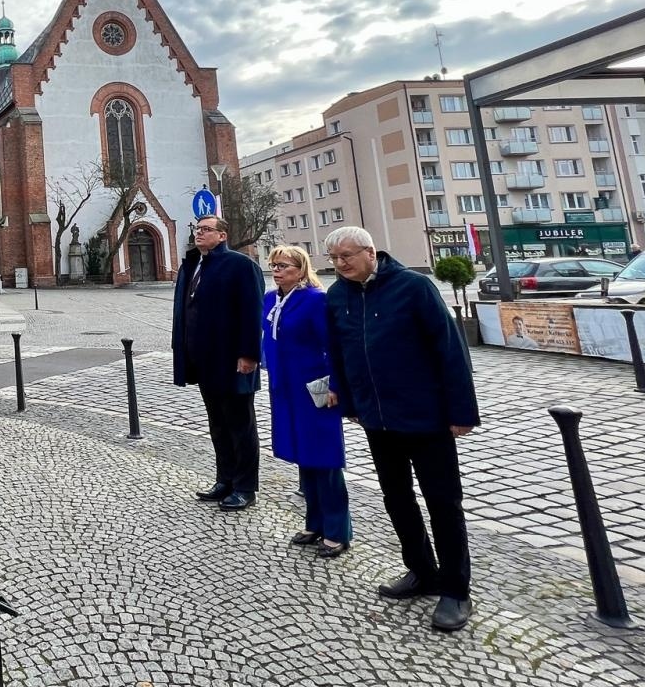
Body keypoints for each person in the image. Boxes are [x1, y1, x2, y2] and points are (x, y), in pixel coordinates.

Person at [322, 227, 480, 633]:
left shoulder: (413, 287)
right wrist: (352, 404)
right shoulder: (338, 295)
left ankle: (455, 589)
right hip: (378, 417)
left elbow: (450, 349)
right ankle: (421, 570)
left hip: (425, 414)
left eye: (347, 255)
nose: (340, 264)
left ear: (371, 253)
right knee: (396, 497)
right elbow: (340, 353)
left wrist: (461, 411)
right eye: (334, 258)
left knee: (443, 502)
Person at [261, 245, 351, 558]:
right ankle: (314, 523)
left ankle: (337, 531)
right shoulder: (271, 299)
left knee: (324, 458)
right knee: (304, 456)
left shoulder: (315, 299)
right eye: (274, 265)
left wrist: (335, 385)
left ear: (301, 269)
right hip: (285, 389)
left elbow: (332, 345)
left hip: (315, 389)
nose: (277, 271)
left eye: (284, 266)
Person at [172, 215, 265, 511]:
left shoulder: (240, 265)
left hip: (233, 360)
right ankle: (224, 479)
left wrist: (249, 354)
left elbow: (252, 312)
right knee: (218, 425)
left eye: (206, 230)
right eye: (197, 229)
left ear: (222, 235)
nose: (199, 233)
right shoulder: (193, 264)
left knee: (240, 425)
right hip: (204, 360)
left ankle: (245, 486)